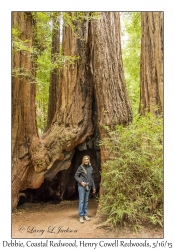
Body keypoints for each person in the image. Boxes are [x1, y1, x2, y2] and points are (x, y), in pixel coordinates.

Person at [74, 155, 96, 223]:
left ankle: (85, 215)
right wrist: (81, 182)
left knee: (86, 201)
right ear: (83, 160)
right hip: (81, 186)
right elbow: (76, 175)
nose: (86, 160)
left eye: (87, 159)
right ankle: (81, 216)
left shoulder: (90, 167)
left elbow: (92, 178)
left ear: (89, 160)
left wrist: (94, 187)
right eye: (85, 159)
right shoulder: (80, 167)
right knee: (81, 201)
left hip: (88, 186)